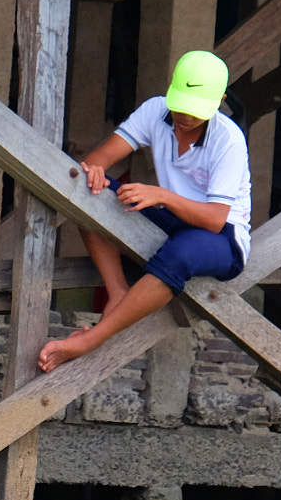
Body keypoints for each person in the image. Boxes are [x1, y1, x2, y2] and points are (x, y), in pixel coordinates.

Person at [38, 49, 250, 373]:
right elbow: (97, 160)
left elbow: (214, 218)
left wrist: (162, 195)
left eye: (195, 110)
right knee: (85, 190)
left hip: (222, 237)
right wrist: (94, 172)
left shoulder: (229, 140)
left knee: (182, 252)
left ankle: (92, 338)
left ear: (220, 101)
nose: (184, 116)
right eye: (180, 104)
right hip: (172, 220)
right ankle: (117, 293)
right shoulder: (155, 111)